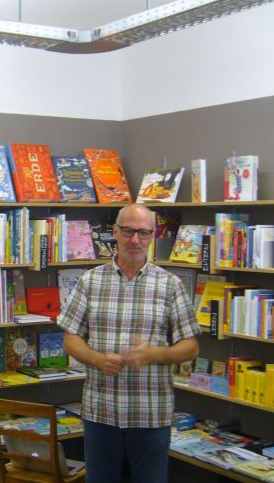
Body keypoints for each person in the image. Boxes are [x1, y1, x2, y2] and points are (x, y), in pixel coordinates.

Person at [57, 203, 200, 483]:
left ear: (152, 236)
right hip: (101, 411)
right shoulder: (90, 281)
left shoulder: (170, 285)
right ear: (115, 232)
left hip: (150, 412)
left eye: (143, 233)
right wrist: (98, 359)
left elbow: (191, 347)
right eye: (128, 231)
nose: (135, 240)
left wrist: (153, 354)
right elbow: (70, 339)